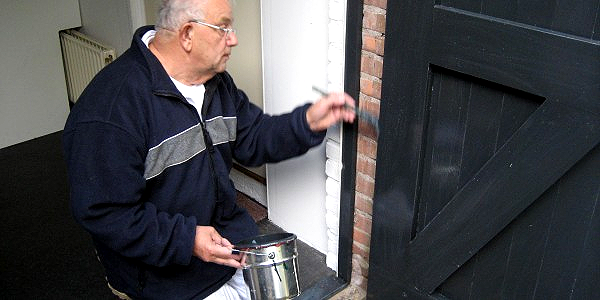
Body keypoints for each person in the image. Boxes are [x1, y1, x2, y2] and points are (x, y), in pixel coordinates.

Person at [62, 0, 355, 299]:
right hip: (164, 279)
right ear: (187, 34)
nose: (234, 39)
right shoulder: (110, 111)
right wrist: (187, 239)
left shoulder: (216, 84)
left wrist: (308, 122)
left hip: (229, 248)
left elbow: (252, 137)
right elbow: (104, 213)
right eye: (223, 27)